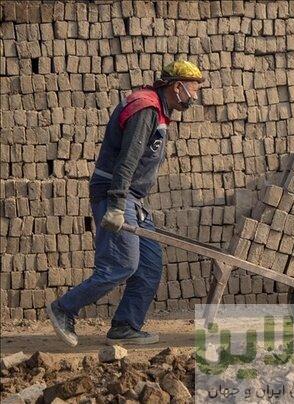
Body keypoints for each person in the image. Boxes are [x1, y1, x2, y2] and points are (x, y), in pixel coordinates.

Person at [46, 61, 204, 346]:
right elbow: (128, 160)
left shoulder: (158, 110)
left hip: (134, 199)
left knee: (150, 264)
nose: (194, 97)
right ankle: (64, 308)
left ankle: (125, 326)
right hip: (116, 193)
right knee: (121, 265)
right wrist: (117, 205)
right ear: (177, 86)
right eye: (193, 90)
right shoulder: (146, 109)